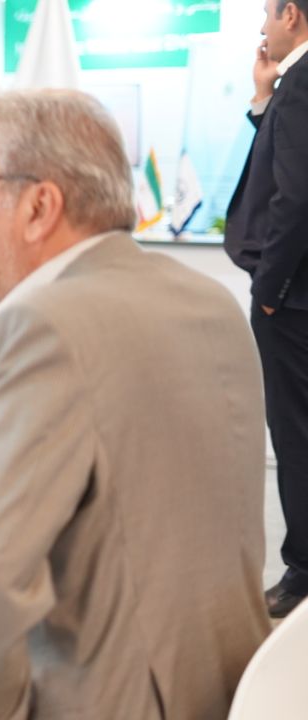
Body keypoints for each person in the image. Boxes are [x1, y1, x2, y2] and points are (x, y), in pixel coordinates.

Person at [0, 90, 269, 719]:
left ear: (39, 207)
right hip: (228, 687)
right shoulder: (207, 299)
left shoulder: (42, 321)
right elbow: (145, 482)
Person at [225, 0, 308, 619]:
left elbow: (294, 198)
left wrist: (270, 291)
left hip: (293, 300)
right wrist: (263, 99)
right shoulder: (290, 86)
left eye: (267, 15)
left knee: (295, 434)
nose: (261, 28)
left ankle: (303, 568)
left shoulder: (302, 83)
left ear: (291, 16)